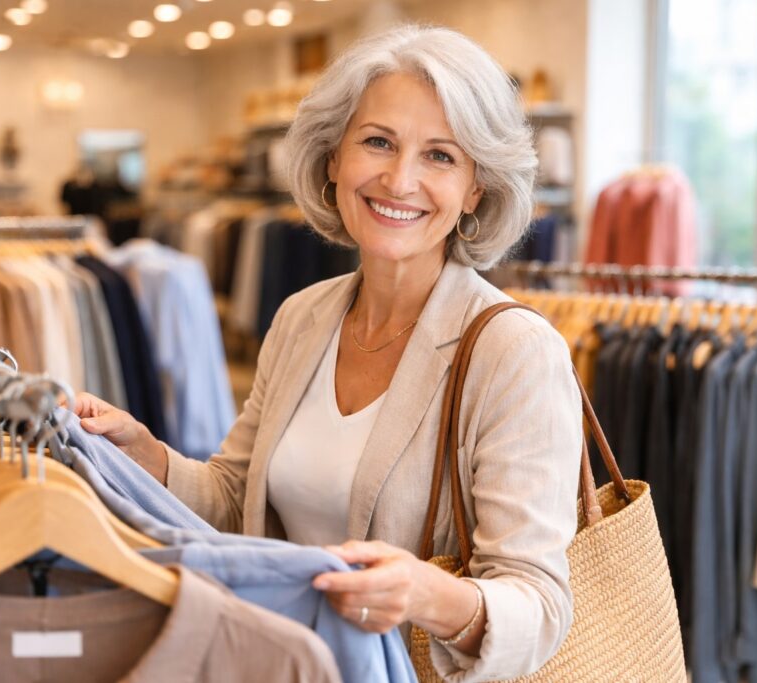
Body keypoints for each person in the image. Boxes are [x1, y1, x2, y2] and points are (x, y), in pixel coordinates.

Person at [72, 24, 582, 682]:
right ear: (333, 158)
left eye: (440, 156)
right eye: (378, 142)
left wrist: (423, 592)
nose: (401, 179)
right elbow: (235, 497)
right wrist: (146, 454)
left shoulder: (514, 350)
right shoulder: (303, 317)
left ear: (475, 189)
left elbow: (541, 605)